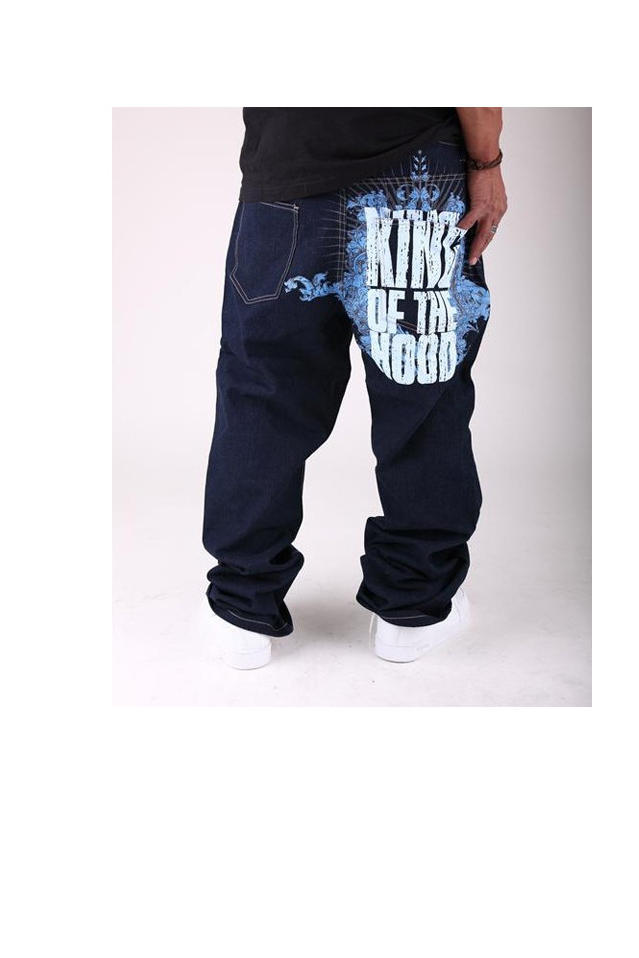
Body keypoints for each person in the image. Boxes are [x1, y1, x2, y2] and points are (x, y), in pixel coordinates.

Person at [202, 108, 508, 670]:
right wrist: (487, 163)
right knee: (421, 399)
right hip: (414, 177)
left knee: (262, 401)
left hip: (283, 182)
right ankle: (413, 608)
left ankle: (241, 607)